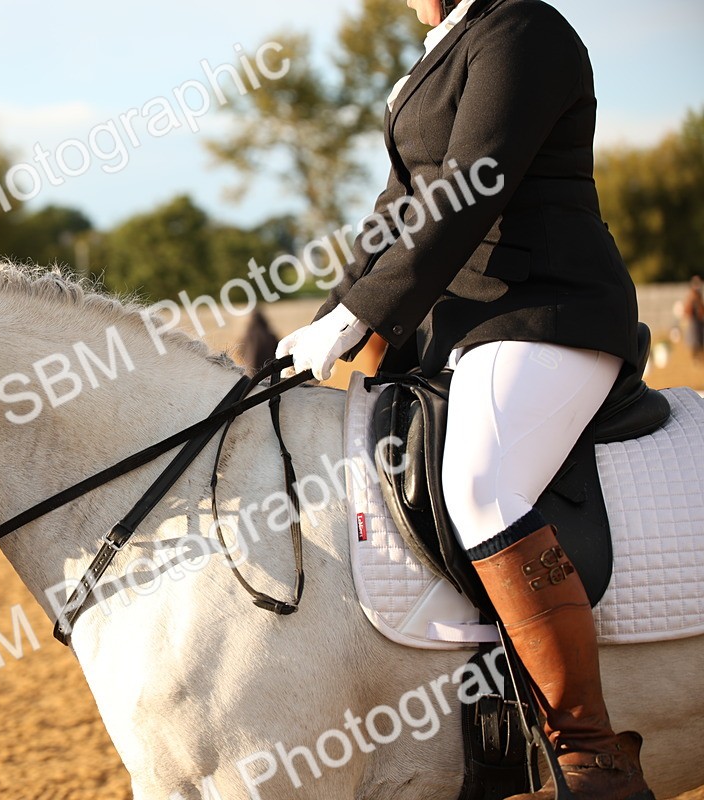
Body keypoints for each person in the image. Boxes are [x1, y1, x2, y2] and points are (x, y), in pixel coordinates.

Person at [276, 1, 652, 798]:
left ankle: (592, 753)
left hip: (546, 309)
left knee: (481, 485)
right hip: (460, 331)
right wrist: (325, 326)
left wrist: (361, 315)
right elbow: (395, 211)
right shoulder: (433, 58)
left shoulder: (524, 30)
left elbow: (469, 186)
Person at [683, 276, 704, 364]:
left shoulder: (699, 297)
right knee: (694, 341)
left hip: (700, 323)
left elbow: (701, 312)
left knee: (700, 341)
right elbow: (687, 311)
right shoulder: (691, 297)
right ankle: (695, 358)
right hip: (693, 323)